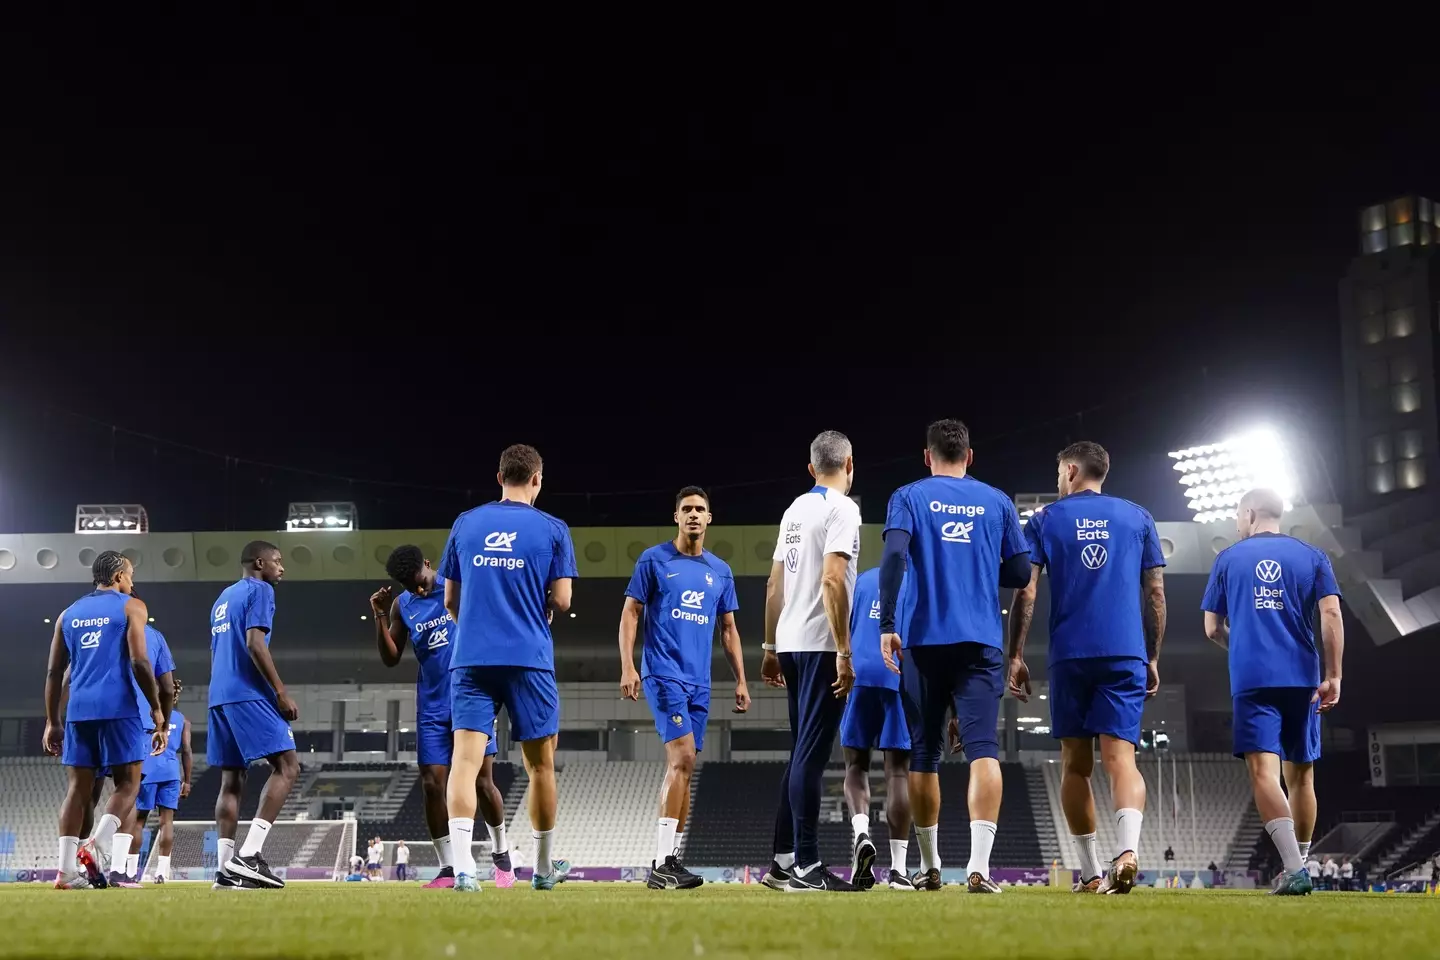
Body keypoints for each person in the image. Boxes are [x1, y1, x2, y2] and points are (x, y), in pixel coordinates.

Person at [1007, 441, 1167, 895]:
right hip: (1125, 652)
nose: (1059, 481)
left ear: (1072, 470)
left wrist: (1015, 656)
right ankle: (1129, 851)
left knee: (1074, 766)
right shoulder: (1139, 517)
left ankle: (1092, 873)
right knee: (1122, 760)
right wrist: (1152, 656)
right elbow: (1155, 595)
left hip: (1071, 655)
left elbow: (1027, 593)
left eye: (1060, 473)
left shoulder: (1044, 521)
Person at [878, 419, 1031, 894]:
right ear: (970, 455)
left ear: (927, 456)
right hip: (981, 639)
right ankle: (979, 869)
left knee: (923, 754)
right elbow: (1022, 571)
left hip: (923, 639)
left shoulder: (908, 496)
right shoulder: (998, 501)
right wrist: (979, 561)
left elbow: (893, 558)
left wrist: (886, 626)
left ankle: (930, 867)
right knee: (984, 748)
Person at [439, 444, 578, 893]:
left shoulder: (465, 523)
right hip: (529, 659)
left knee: (463, 762)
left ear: (499, 477)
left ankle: (463, 870)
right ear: (537, 479)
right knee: (541, 767)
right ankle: (540, 870)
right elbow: (562, 600)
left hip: (471, 658)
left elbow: (449, 601)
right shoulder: (553, 528)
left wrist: (477, 626)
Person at [1202, 487, 1343, 897]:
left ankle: (1294, 869)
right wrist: (1334, 674)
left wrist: (1242, 645)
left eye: (1235, 515)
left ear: (1248, 513)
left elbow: (1212, 628)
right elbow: (1331, 613)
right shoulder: (1313, 555)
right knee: (1301, 776)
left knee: (1264, 773)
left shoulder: (1228, 558)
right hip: (1304, 677)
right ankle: (1298, 865)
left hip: (1253, 678)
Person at [619, 486, 751, 891]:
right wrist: (628, 666)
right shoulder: (654, 560)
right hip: (663, 673)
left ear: (710, 519)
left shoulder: (720, 572)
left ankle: (670, 859)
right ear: (676, 516)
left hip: (700, 682)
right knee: (681, 758)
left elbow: (728, 629)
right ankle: (661, 863)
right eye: (687, 509)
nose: (693, 515)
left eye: (700, 510)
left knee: (687, 768)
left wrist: (742, 679)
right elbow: (631, 614)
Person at [371, 546, 515, 889]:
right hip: (432, 706)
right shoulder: (401, 605)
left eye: (420, 581)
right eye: (409, 585)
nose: (418, 590)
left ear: (428, 565)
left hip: (471, 697)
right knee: (431, 784)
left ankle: (501, 853)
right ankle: (449, 868)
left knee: (482, 782)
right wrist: (379, 615)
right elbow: (391, 658)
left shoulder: (459, 585)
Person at [759, 431, 861, 893]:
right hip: (822, 646)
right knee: (813, 757)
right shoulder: (844, 509)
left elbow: (773, 585)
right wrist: (844, 651)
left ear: (811, 468)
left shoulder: (793, 510)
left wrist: (767, 648)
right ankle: (807, 863)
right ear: (849, 464)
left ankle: (782, 864)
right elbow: (834, 580)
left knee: (800, 752)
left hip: (790, 643)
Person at [42, 551, 167, 890]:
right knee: (129, 783)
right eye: (130, 576)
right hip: (118, 707)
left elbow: (55, 672)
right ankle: (96, 846)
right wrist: (156, 709)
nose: (132, 582)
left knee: (78, 789)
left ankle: (66, 873)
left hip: (78, 711)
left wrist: (52, 721)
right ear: (117, 578)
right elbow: (141, 662)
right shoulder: (132, 607)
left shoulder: (67, 614)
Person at [208, 540, 301, 890]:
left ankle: (224, 872)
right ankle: (249, 855)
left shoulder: (222, 598)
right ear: (259, 563)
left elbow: (217, 651)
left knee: (232, 780)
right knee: (288, 766)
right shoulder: (260, 590)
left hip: (219, 694)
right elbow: (254, 643)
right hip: (247, 692)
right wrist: (279, 691)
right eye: (277, 561)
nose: (282, 568)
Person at [839, 564, 916, 890]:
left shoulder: (862, 580)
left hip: (861, 673)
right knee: (897, 771)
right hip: (898, 674)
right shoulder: (920, 581)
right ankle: (898, 870)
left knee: (856, 765)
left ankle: (861, 833)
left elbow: (844, 626)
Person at [134, 675, 191, 884]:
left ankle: (130, 871)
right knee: (166, 822)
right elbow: (187, 751)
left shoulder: (149, 716)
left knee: (138, 821)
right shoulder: (183, 720)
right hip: (171, 772)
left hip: (148, 770)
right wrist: (187, 780)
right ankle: (162, 872)